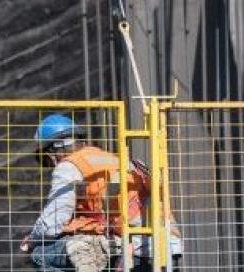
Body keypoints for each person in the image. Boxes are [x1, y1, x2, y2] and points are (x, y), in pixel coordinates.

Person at [22, 114, 182, 272]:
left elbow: (53, 222)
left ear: (54, 150)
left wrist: (33, 238)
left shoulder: (69, 166)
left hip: (135, 249)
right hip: (167, 247)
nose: (50, 165)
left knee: (40, 254)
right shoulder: (112, 159)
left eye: (47, 160)